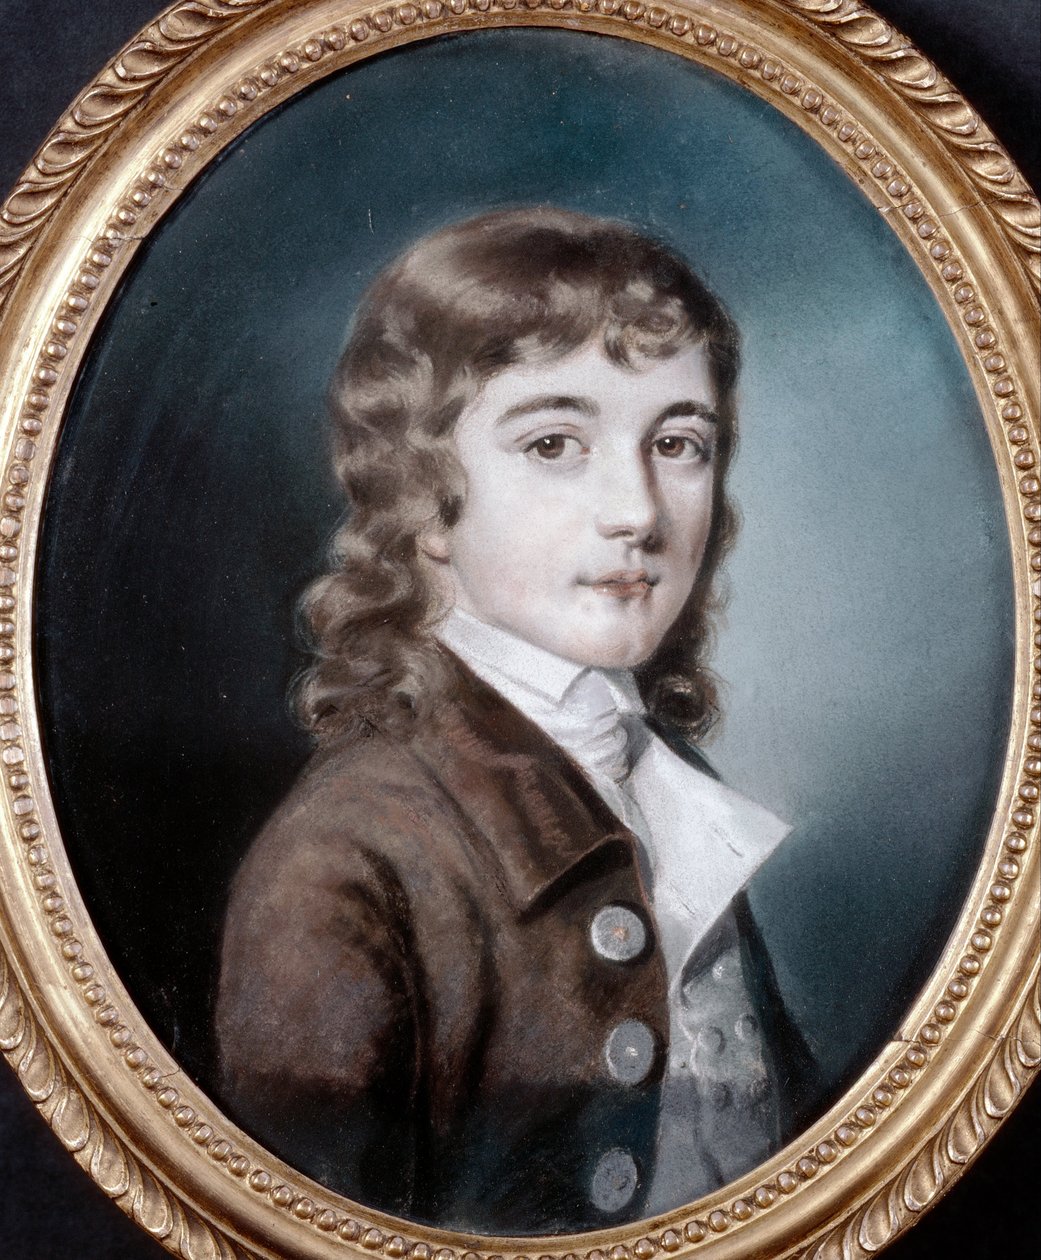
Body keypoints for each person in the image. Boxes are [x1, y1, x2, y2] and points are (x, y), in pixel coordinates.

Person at [215, 208, 818, 1234]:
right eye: (553, 443)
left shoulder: (661, 783)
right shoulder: (347, 858)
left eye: (677, 442)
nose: (638, 511)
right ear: (421, 496)